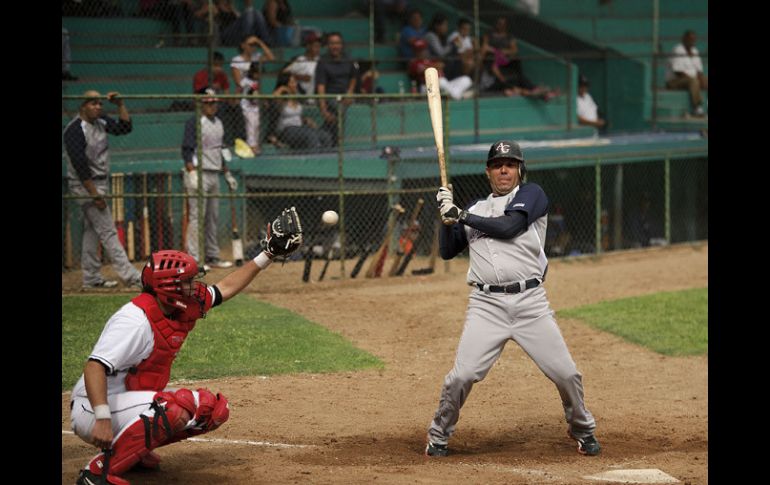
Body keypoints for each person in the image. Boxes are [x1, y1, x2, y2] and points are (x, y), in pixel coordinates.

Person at [70, 214, 303, 485]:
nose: (194, 287)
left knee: (210, 410)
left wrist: (268, 254)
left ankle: (132, 453)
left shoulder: (178, 305)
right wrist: (102, 417)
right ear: (168, 287)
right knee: (173, 408)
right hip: (93, 408)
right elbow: (94, 366)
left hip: (125, 401)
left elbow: (225, 288)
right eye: (188, 282)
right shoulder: (134, 320)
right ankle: (97, 472)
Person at [425, 140, 601, 458]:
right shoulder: (476, 210)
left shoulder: (532, 195)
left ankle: (582, 429)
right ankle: (438, 435)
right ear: (488, 171)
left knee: (566, 374)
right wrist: (445, 216)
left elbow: (510, 227)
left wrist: (460, 214)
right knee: (462, 376)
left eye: (510, 163)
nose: (504, 169)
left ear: (520, 169)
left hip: (531, 303)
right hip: (486, 306)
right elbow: (448, 251)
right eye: (497, 164)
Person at [63, 90, 143, 289]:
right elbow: (80, 166)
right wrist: (94, 195)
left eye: (100, 103)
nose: (98, 107)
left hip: (100, 182)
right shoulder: (74, 130)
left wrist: (120, 105)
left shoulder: (101, 121)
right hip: (84, 185)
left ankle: (90, 279)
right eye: (93, 103)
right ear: (82, 106)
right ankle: (131, 276)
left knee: (92, 230)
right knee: (108, 230)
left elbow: (125, 127)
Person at [182, 88, 239, 270]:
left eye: (214, 102)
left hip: (214, 172)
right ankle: (195, 259)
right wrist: (191, 172)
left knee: (212, 217)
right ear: (200, 103)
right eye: (208, 102)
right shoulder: (195, 122)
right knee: (197, 217)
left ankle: (212, 256)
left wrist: (227, 173)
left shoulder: (218, 123)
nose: (212, 106)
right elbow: (186, 150)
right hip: (199, 173)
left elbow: (219, 150)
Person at [315, 32, 359, 146]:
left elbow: (354, 77)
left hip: (345, 94)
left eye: (337, 43)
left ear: (342, 45)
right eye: (332, 43)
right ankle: (336, 141)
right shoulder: (322, 62)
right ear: (328, 45)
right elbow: (321, 86)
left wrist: (350, 92)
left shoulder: (348, 58)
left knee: (342, 106)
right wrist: (323, 109)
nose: (335, 46)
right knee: (338, 108)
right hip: (330, 96)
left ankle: (326, 136)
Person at [272, 72, 332, 149]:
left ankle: (325, 158)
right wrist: (283, 88)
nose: (295, 84)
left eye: (295, 82)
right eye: (292, 82)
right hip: (287, 130)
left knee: (325, 136)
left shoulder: (296, 97)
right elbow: (275, 96)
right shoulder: (281, 100)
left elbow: (297, 115)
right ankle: (315, 158)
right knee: (310, 135)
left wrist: (305, 120)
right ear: (286, 84)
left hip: (300, 128)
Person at [408, 39, 472, 100]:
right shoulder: (414, 62)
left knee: (466, 79)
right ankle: (460, 96)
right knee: (441, 81)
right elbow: (424, 70)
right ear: (415, 52)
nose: (423, 52)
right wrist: (435, 66)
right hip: (427, 87)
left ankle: (454, 95)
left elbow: (441, 65)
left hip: (444, 85)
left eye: (423, 50)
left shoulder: (430, 59)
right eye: (419, 50)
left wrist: (433, 66)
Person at [665, 30, 708, 117]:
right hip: (674, 82)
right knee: (693, 81)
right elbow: (678, 72)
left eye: (693, 39)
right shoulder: (678, 50)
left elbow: (699, 71)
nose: (692, 41)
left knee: (705, 81)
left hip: (690, 80)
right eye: (690, 39)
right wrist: (696, 80)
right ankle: (697, 108)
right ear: (684, 39)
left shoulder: (695, 51)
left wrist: (702, 80)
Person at [283, 31, 323, 101]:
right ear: (308, 46)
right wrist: (299, 77)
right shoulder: (301, 60)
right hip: (301, 93)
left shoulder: (320, 60)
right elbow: (284, 73)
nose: (318, 49)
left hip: (316, 94)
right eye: (315, 46)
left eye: (319, 47)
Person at [239, 61, 263, 155]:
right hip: (247, 107)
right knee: (251, 125)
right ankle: (251, 146)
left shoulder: (258, 81)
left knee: (256, 125)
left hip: (255, 107)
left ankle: (255, 144)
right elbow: (241, 91)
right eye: (256, 73)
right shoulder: (245, 81)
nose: (258, 75)